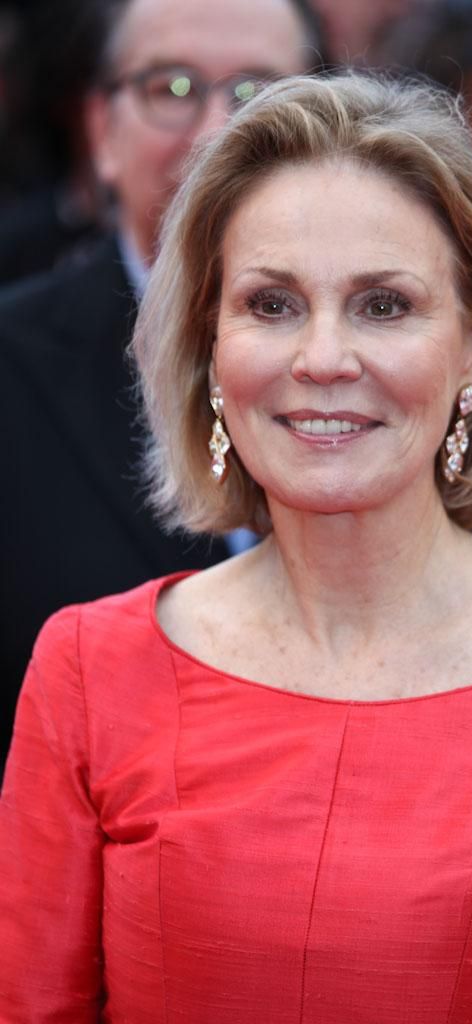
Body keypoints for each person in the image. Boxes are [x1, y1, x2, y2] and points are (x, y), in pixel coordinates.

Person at [1, 71, 472, 1021]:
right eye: (271, 304)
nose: (321, 358)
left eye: (383, 305)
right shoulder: (87, 669)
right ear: (208, 342)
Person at [0, 0, 321, 768]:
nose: (215, 133)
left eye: (258, 92)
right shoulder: (11, 364)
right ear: (101, 132)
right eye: (170, 88)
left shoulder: (415, 364)